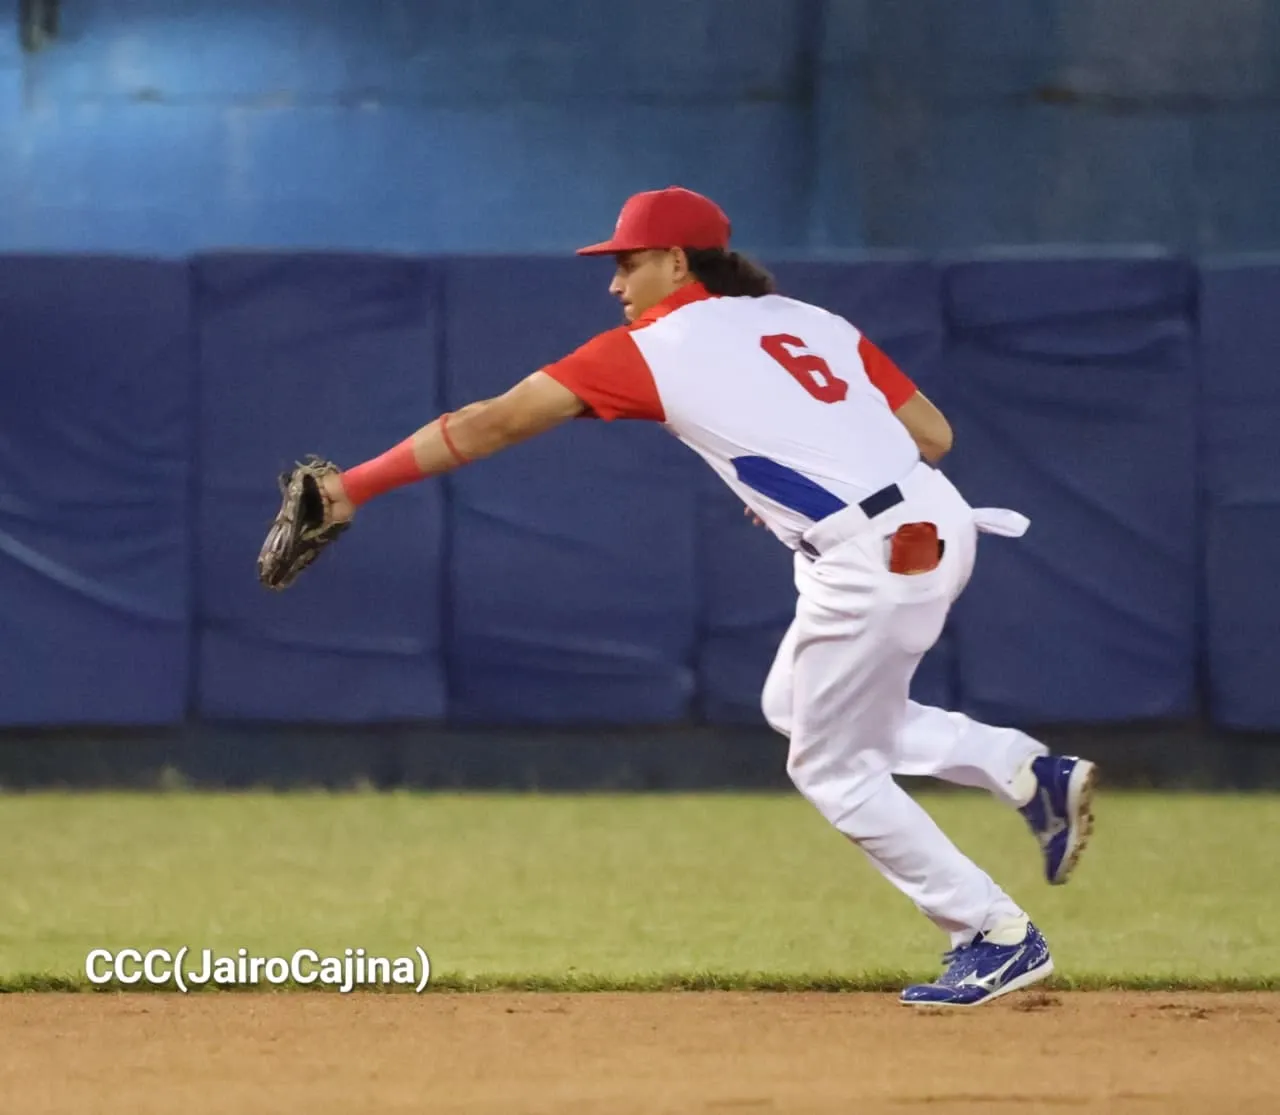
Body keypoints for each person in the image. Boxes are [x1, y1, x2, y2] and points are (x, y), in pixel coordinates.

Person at [315, 186, 1097, 1007]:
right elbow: (933, 435)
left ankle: (993, 933)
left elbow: (489, 424)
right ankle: (1019, 766)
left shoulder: (651, 346)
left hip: (874, 554)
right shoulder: (808, 320)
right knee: (798, 703)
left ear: (677, 261)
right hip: (933, 518)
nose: (615, 286)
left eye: (628, 263)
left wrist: (353, 488)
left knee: (832, 765)